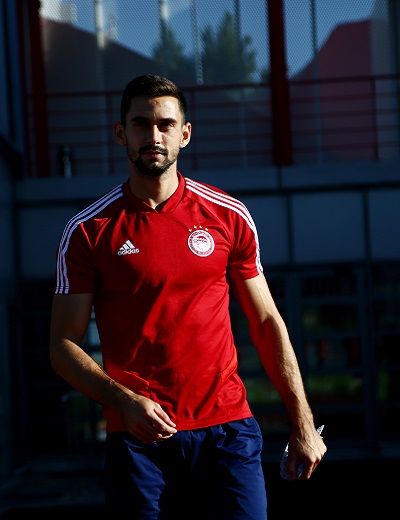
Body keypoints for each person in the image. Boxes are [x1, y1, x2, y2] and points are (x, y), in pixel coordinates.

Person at [49, 74, 326, 519]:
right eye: (141, 124)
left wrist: (304, 423)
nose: (153, 136)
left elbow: (266, 322)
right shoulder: (87, 231)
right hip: (139, 439)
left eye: (165, 124)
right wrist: (122, 400)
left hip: (227, 432)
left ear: (185, 133)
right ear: (120, 133)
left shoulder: (228, 215)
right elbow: (63, 345)